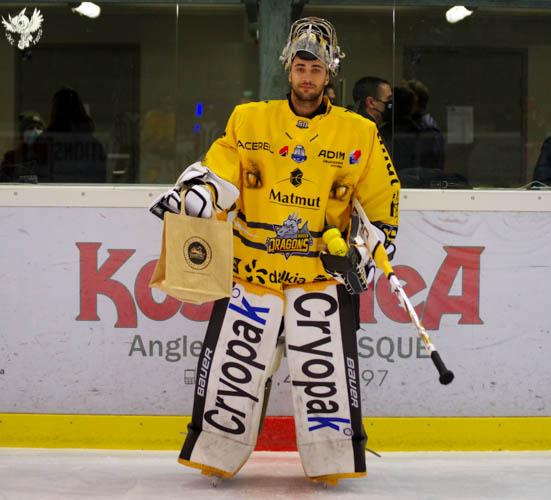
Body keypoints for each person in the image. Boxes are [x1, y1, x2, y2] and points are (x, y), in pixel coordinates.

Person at [150, 16, 400, 485]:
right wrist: (201, 195)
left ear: (329, 74)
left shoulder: (359, 133)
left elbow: (380, 205)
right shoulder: (249, 119)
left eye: (317, 69)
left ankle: (330, 462)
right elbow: (220, 167)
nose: (307, 77)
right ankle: (216, 452)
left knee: (324, 378)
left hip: (319, 279)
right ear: (288, 69)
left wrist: (364, 252)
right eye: (301, 67)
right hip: (252, 274)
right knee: (233, 372)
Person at [34, 87, 107, 182]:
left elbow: (38, 176)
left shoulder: (44, 142)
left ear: (55, 111)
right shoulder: (94, 145)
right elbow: (100, 180)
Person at [406, 79, 445, 171]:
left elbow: (430, 166)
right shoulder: (413, 123)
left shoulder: (427, 128)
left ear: (415, 100)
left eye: (407, 98)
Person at [0, 111, 44, 182]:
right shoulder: (11, 157)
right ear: (22, 134)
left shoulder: (49, 157)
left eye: (39, 128)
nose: (35, 131)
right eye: (30, 128)